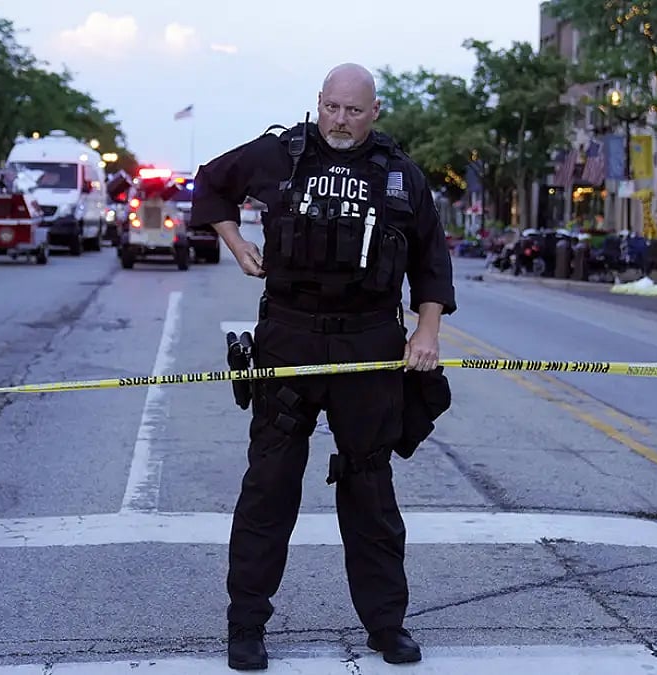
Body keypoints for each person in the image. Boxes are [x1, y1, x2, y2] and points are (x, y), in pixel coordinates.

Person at [190, 62, 457, 671]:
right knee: (269, 485)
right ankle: (246, 627)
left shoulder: (399, 175)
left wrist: (428, 330)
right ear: (319, 104)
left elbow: (430, 259)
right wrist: (236, 244)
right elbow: (210, 184)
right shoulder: (280, 153)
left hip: (368, 345)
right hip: (289, 338)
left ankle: (387, 626)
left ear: (375, 111)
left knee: (370, 488)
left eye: (353, 110)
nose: (339, 120)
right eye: (331, 108)